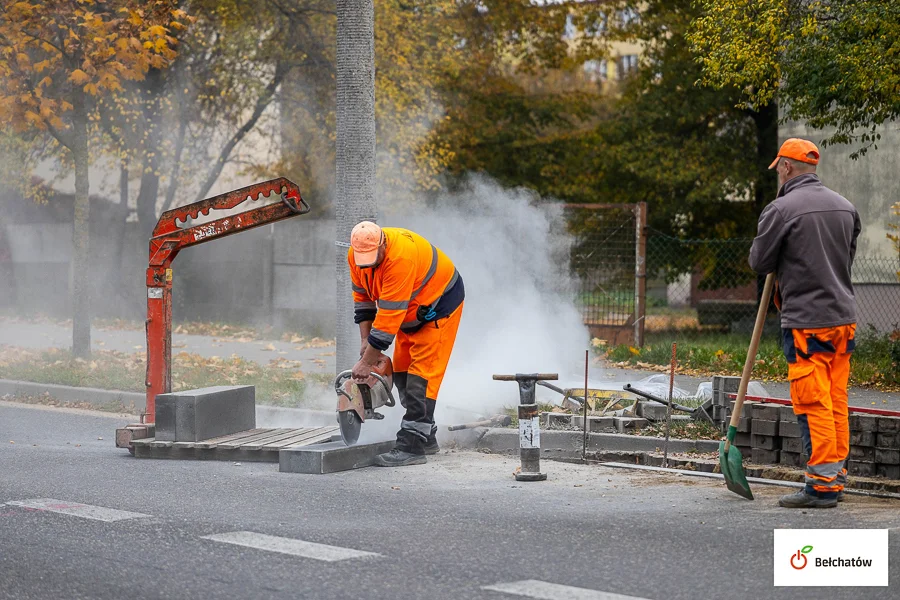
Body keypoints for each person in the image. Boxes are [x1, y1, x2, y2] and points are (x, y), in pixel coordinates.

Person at [749, 138, 861, 509]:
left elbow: (759, 262)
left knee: (813, 402)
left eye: (777, 168)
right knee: (835, 400)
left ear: (786, 167)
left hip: (806, 325)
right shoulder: (846, 208)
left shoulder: (781, 209)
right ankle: (837, 473)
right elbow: (845, 258)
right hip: (843, 320)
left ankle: (823, 486)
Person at [348, 221, 465, 467]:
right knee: (401, 374)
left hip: (437, 309)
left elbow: (389, 318)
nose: (367, 263)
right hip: (409, 313)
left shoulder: (400, 259)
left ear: (383, 244)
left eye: (372, 257)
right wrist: (364, 342)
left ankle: (412, 447)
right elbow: (363, 301)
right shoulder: (356, 254)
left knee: (420, 381)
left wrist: (367, 361)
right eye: (362, 258)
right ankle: (427, 436)